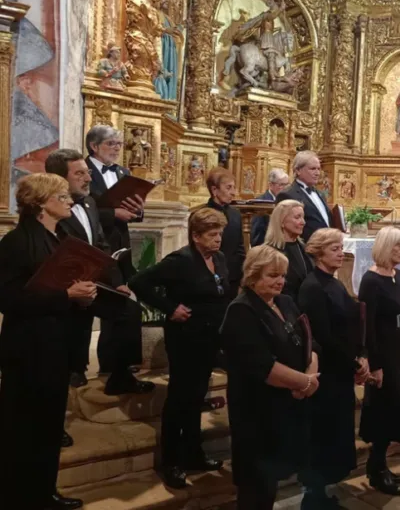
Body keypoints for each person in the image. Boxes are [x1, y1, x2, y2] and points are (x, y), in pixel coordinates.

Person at [0, 173, 94, 510]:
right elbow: (8, 300)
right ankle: (16, 498)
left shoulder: (61, 238)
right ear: (42, 203)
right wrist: (66, 294)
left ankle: (44, 492)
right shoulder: (15, 243)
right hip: (27, 348)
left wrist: (82, 297)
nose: (69, 201)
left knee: (51, 424)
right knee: (23, 427)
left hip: (56, 344)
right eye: (62, 196)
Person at [129, 208, 230, 488]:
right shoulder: (180, 261)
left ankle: (194, 454)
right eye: (211, 235)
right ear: (195, 236)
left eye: (219, 233)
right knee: (179, 400)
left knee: (197, 397)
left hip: (210, 338)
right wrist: (170, 308)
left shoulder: (218, 258)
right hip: (186, 338)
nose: (218, 239)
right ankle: (171, 462)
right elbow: (139, 282)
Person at [45, 149, 154, 395]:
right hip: (64, 286)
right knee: (73, 315)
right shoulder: (51, 207)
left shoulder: (90, 202)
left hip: (94, 280)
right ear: (60, 177)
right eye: (80, 173)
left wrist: (116, 282)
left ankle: (120, 374)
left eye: (88, 172)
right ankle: (73, 372)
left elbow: (103, 245)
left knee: (128, 308)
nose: (88, 178)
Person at [220, 245, 320, 510]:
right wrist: (305, 383)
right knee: (256, 485)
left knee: (272, 481)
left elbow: (310, 342)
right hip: (257, 412)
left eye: (282, 275)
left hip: (285, 407)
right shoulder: (241, 310)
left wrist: (309, 377)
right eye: (272, 275)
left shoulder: (284, 301)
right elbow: (262, 366)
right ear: (253, 275)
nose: (280, 281)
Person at [298, 229, 369, 509]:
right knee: (323, 435)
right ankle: (313, 497)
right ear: (318, 252)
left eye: (341, 248)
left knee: (336, 432)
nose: (341, 253)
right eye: (334, 249)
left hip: (340, 371)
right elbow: (323, 336)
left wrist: (361, 355)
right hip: (327, 372)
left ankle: (322, 493)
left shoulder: (335, 282)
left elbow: (349, 323)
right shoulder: (312, 286)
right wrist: (353, 362)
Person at [85, 125, 146, 387]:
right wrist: (113, 215)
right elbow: (80, 210)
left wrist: (138, 210)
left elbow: (134, 210)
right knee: (93, 306)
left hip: (120, 247)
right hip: (95, 247)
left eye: (119, 144)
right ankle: (82, 366)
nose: (117, 148)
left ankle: (114, 366)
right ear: (94, 146)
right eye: (111, 144)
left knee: (120, 305)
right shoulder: (82, 172)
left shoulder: (124, 172)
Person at [359, 227, 400, 496]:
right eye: (398, 247)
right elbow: (367, 326)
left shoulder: (398, 274)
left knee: (396, 406)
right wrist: (375, 364)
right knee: (382, 409)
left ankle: (381, 464)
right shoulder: (371, 281)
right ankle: (376, 468)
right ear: (385, 248)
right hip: (383, 352)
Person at [206, 167, 245, 294]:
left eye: (234, 188)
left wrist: (242, 278)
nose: (233, 192)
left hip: (233, 278)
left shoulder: (235, 214)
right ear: (214, 190)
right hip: (210, 278)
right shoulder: (202, 215)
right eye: (228, 188)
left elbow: (240, 248)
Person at [275, 151, 330, 243]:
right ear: (298, 170)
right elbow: (285, 228)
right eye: (313, 169)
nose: (317, 173)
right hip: (304, 250)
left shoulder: (320, 194)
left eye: (318, 169)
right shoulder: (287, 194)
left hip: (324, 249)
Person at [264, 199, 313, 300]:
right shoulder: (270, 252)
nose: (303, 222)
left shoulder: (304, 248)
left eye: (303, 217)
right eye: (297, 217)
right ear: (281, 221)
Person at [250, 168, 290, 247]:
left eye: (287, 184)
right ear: (271, 185)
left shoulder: (289, 201)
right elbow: (257, 235)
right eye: (282, 185)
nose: (286, 188)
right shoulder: (260, 202)